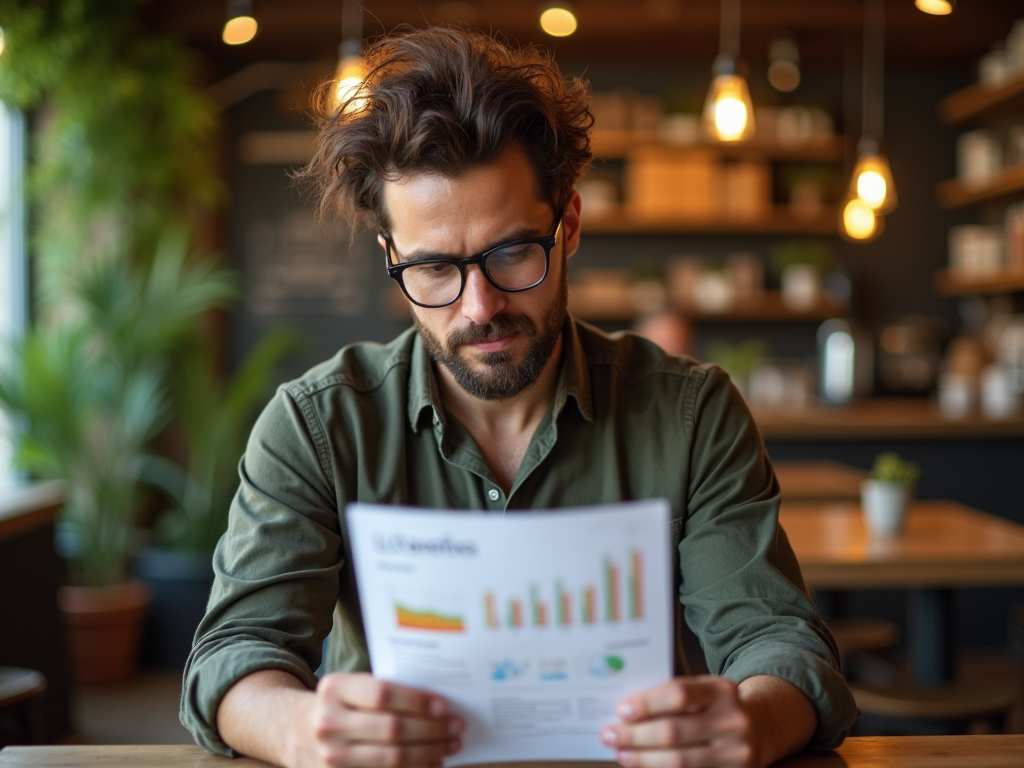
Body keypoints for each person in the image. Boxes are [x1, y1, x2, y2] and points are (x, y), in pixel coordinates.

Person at [182, 26, 857, 768]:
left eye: (510, 253)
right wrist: (301, 731)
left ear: (566, 226)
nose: (479, 307)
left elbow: (778, 641)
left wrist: (752, 721)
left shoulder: (691, 415)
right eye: (435, 268)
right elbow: (235, 654)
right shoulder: (316, 426)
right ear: (391, 258)